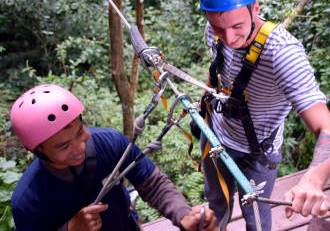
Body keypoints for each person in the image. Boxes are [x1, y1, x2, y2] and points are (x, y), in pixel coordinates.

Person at [196, 0, 330, 231]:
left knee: (256, 217)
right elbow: (217, 71)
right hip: (217, 138)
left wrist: (313, 180)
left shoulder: (283, 54)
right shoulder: (214, 29)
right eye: (219, 28)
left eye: (238, 26)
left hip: (258, 151)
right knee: (217, 204)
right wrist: (203, 104)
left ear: (255, 8)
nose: (229, 38)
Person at [10, 84, 218, 231]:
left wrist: (183, 216)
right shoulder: (28, 199)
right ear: (38, 150)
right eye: (63, 145)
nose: (79, 146)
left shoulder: (109, 143)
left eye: (80, 131)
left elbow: (152, 184)